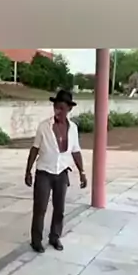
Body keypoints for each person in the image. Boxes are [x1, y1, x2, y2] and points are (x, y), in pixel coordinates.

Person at [24, 89, 87, 253]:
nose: (58, 111)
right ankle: (36, 241)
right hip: (44, 172)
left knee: (59, 208)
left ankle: (55, 237)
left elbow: (75, 151)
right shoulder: (44, 126)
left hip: (62, 173)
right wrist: (28, 171)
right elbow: (35, 148)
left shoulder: (73, 128)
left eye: (62, 108)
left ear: (69, 109)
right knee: (40, 208)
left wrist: (82, 172)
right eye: (56, 107)